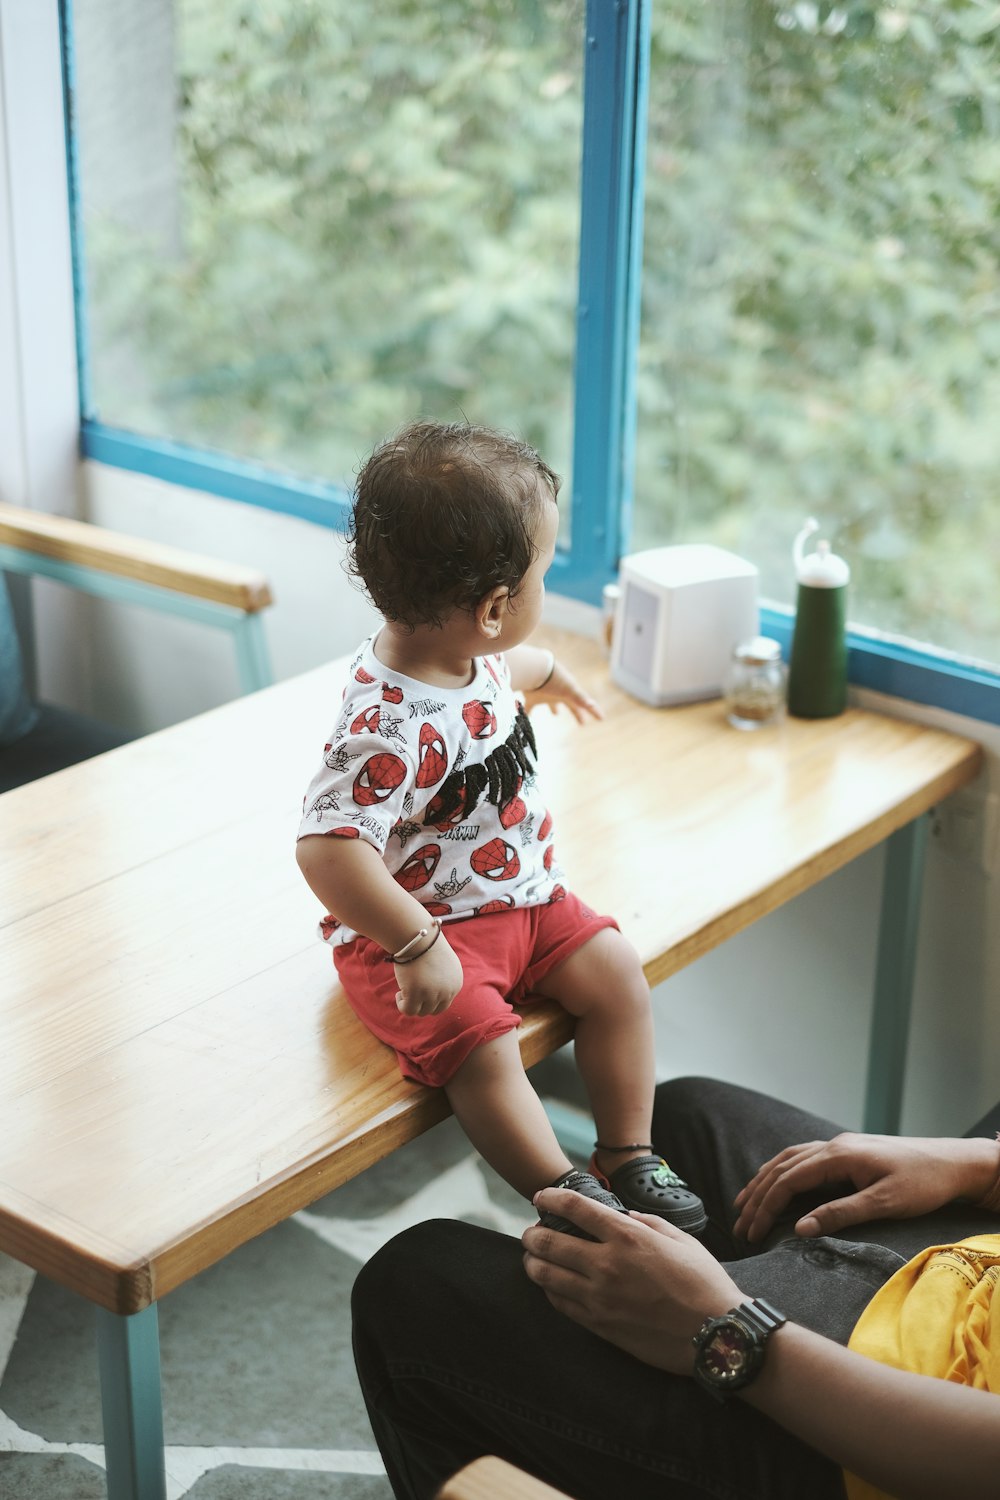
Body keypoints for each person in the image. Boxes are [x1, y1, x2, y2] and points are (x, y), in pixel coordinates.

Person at [295, 420, 704, 1233]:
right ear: (492, 608)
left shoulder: (457, 651)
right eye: (544, 575)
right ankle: (560, 1188)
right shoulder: (385, 725)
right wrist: (416, 943)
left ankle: (626, 1151)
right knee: (482, 1045)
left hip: (524, 899)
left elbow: (494, 673)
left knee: (619, 974)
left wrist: (546, 673)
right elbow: (327, 848)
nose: (546, 592)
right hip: (423, 936)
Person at [351, 1074, 1000, 1500]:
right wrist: (981, 1165)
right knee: (678, 1122)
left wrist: (727, 1333)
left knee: (417, 1285)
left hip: (904, 1442)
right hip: (974, 1270)